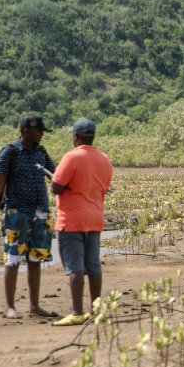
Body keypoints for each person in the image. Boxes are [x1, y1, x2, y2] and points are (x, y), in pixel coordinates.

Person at [0, 114, 56, 319]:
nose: (41, 134)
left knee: (34, 259)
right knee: (13, 259)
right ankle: (10, 307)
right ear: (25, 131)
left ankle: (34, 306)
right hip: (16, 212)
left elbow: (57, 176)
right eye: (38, 130)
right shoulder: (10, 153)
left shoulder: (41, 152)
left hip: (40, 213)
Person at [50, 118, 114, 326]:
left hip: (72, 219)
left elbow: (56, 187)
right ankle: (96, 312)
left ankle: (77, 313)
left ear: (76, 136)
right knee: (93, 264)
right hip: (95, 217)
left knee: (75, 266)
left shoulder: (71, 157)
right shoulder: (104, 159)